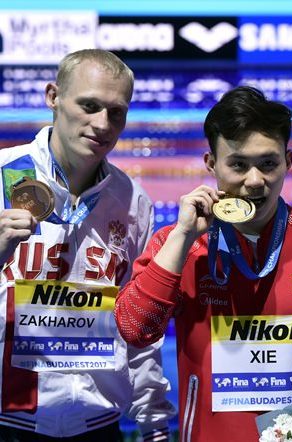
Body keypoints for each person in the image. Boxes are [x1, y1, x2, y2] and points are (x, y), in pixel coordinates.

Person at [115, 86, 292, 441]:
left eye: (268, 164)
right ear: (211, 163)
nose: (254, 181)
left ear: (288, 161)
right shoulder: (179, 246)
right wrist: (183, 236)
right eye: (238, 165)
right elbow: (135, 329)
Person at [0, 49, 175, 441]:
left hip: (97, 427)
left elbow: (138, 326)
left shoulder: (132, 201)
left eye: (117, 112)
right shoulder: (3, 176)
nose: (103, 124)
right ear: (53, 97)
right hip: (8, 422)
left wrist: (154, 424)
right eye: (90, 106)